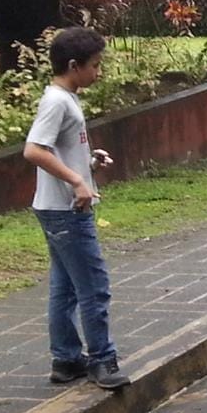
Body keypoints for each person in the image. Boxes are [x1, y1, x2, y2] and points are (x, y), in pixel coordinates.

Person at [23, 27, 129, 390]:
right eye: (95, 65)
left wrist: (88, 163)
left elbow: (58, 148)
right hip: (67, 211)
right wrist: (77, 181)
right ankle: (102, 359)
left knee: (65, 287)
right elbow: (34, 150)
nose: (98, 72)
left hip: (56, 207)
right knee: (94, 287)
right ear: (73, 65)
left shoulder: (66, 98)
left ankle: (66, 359)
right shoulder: (56, 101)